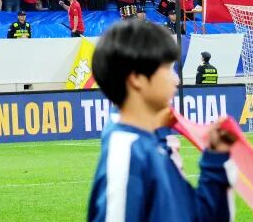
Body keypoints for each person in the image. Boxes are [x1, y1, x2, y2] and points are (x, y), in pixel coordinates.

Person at [87, 20, 235, 222]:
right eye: (167, 68)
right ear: (137, 78)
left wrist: (216, 159)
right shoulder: (127, 153)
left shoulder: (152, 145)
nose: (176, 80)